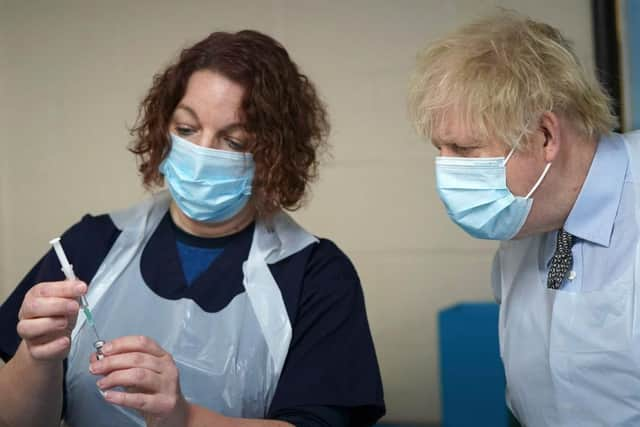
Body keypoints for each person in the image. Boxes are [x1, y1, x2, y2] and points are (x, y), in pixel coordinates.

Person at [0, 30, 385, 427]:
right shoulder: (91, 245)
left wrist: (183, 419)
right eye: (186, 130)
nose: (202, 154)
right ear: (163, 128)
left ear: (274, 153)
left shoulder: (314, 274)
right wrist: (35, 357)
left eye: (234, 142)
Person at [409, 12, 640, 426]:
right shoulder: (526, 220)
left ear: (545, 136)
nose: (446, 171)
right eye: (439, 149)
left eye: (464, 149)